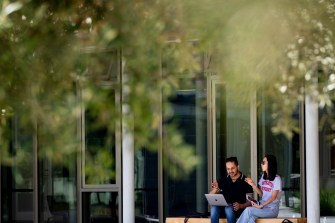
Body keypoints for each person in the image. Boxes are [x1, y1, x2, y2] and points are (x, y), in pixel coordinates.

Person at [237, 155, 282, 223]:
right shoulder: (263, 177)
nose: (261, 164)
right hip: (262, 207)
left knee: (249, 210)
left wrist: (261, 205)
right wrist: (253, 184)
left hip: (271, 209)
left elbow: (273, 197)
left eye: (263, 162)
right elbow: (261, 194)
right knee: (251, 218)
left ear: (269, 164)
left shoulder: (277, 179)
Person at [210, 157, 253, 223]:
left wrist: (241, 206)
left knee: (228, 208)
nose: (230, 171)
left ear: (238, 167)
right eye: (228, 169)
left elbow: (250, 202)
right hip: (223, 211)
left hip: (237, 211)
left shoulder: (246, 181)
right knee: (214, 207)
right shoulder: (223, 179)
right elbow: (210, 196)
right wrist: (215, 189)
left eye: (232, 168)